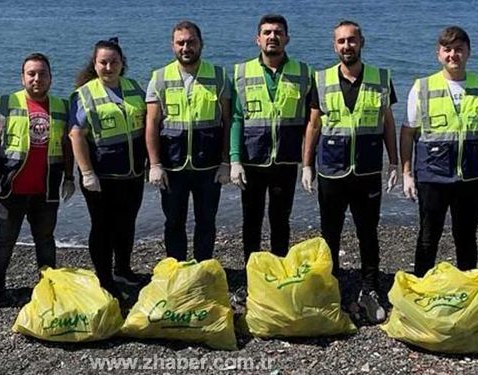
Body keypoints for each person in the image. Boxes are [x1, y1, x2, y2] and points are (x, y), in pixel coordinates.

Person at [302, 20, 398, 324]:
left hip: (367, 171)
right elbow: (314, 124)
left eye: (352, 40)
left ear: (362, 42)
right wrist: (306, 166)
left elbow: (388, 124)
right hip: (331, 170)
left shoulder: (381, 78)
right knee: (329, 232)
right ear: (334, 46)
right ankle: (330, 286)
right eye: (341, 41)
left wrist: (394, 162)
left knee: (368, 232)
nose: (347, 46)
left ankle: (370, 288)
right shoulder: (321, 79)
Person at [400, 26, 478, 277]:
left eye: (459, 49)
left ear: (468, 53)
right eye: (447, 49)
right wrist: (406, 172)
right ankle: (421, 289)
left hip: (470, 179)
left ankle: (467, 290)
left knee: (466, 238)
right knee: (428, 238)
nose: (453, 55)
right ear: (438, 54)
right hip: (432, 178)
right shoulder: (422, 87)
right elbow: (408, 131)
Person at [0, 53, 74, 307]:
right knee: (4, 241)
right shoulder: (6, 103)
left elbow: (67, 145)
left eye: (42, 73)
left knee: (45, 240)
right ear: (22, 78)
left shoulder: (62, 107)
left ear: (51, 78)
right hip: (11, 188)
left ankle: (48, 287)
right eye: (31, 73)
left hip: (46, 190)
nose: (37, 78)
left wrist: (69, 176)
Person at [146, 20, 232, 262]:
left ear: (201, 44)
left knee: (207, 221)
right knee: (174, 222)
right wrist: (154, 164)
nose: (186, 47)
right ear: (172, 46)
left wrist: (226, 162)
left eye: (191, 42)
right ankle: (178, 269)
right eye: (180, 43)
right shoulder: (159, 78)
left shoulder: (218, 76)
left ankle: (204, 269)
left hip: (209, 166)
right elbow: (151, 124)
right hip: (173, 167)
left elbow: (228, 121)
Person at [231, 14, 313, 261]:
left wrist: (308, 163)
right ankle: (252, 273)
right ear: (258, 39)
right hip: (252, 161)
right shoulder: (241, 72)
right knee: (251, 222)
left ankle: (278, 271)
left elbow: (312, 121)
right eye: (267, 32)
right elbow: (236, 118)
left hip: (285, 161)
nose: (272, 37)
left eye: (278, 32)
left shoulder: (303, 72)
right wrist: (234, 160)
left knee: (280, 221)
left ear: (287, 38)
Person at [69, 39, 146, 299]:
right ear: (95, 64)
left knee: (127, 224)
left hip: (133, 173)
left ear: (122, 63)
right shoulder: (84, 94)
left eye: (114, 62)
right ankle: (104, 278)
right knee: (102, 227)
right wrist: (87, 173)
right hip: (101, 178)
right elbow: (76, 135)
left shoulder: (135, 88)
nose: (109, 66)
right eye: (103, 62)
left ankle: (123, 269)